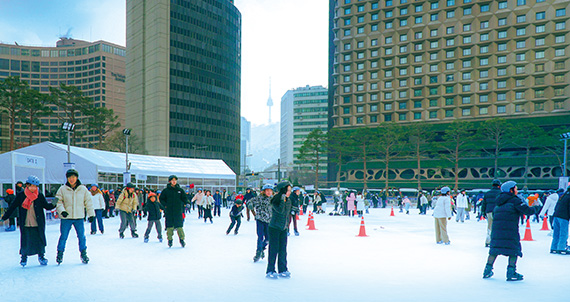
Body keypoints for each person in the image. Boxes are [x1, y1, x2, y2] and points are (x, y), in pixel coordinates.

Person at [483, 181, 539, 281]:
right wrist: (536, 207)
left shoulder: (499, 201)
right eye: (516, 188)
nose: (517, 190)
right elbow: (528, 211)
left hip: (497, 230)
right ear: (511, 190)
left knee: (495, 249)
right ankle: (511, 272)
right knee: (513, 250)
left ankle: (487, 270)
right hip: (510, 230)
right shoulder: (515, 200)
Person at [1, 176, 56, 266]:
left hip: (37, 222)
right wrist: (4, 217)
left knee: (39, 240)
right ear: (27, 185)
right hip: (26, 222)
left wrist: (56, 201)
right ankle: (24, 257)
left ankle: (41, 256)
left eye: (36, 186)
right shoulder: (21, 195)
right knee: (25, 240)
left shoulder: (39, 195)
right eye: (32, 186)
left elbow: (47, 206)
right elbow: (12, 207)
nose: (34, 188)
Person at [55, 169, 95, 264]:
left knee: (81, 236)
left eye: (73, 177)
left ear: (77, 178)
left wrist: (91, 214)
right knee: (63, 236)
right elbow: (58, 202)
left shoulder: (83, 189)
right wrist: (62, 211)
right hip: (66, 218)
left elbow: (88, 203)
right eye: (69, 177)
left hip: (79, 217)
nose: (71, 179)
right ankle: (60, 253)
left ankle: (83, 254)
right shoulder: (62, 189)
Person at [266, 181, 292, 279]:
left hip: (283, 228)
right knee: (274, 249)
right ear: (283, 190)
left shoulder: (288, 200)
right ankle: (270, 270)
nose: (290, 192)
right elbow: (281, 211)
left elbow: (287, 214)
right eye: (288, 190)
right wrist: (282, 199)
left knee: (283, 249)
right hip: (274, 228)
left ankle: (283, 269)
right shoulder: (275, 200)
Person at [160, 175, 189, 248]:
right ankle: (170, 240)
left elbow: (184, 198)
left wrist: (187, 203)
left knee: (179, 227)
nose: (174, 181)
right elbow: (161, 199)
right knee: (169, 228)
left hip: (178, 212)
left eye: (175, 180)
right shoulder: (166, 191)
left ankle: (182, 240)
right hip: (169, 212)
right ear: (170, 181)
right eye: (172, 180)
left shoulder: (180, 190)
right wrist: (165, 205)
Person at [249, 184, 273, 262]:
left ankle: (262, 248)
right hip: (260, 220)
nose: (269, 192)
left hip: (269, 221)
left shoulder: (272, 199)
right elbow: (250, 202)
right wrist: (251, 207)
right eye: (267, 191)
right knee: (260, 237)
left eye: (270, 191)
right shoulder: (258, 198)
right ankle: (258, 252)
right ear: (264, 191)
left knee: (268, 238)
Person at [481, 179, 502, 247]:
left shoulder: (487, 193)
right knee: (498, 227)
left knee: (490, 226)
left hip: (489, 211)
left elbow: (484, 204)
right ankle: (496, 242)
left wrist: (483, 212)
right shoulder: (500, 193)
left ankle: (488, 241)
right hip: (498, 212)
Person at [550, 188, 569, 254]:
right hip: (564, 217)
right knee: (563, 233)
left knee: (556, 233)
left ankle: (554, 247)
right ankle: (562, 247)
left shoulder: (563, 196)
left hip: (556, 215)